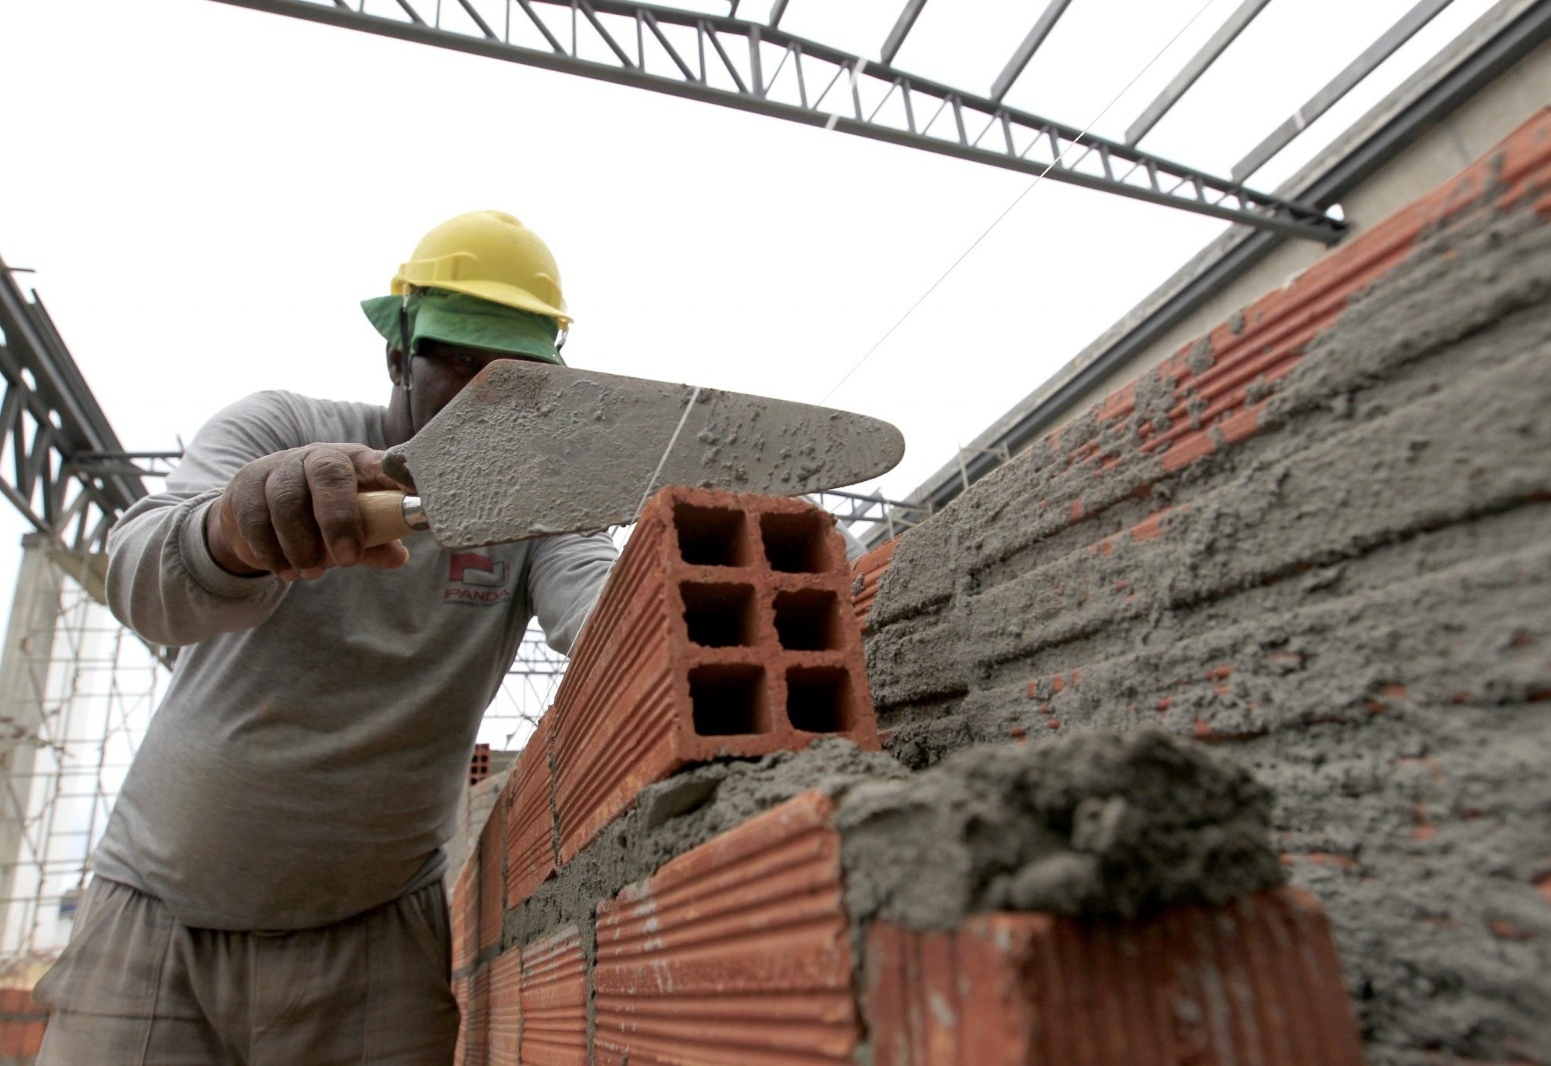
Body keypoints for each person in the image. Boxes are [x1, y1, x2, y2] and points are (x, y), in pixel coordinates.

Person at [34, 211, 618, 1064]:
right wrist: (232, 530)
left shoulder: (539, 505)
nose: (489, 394)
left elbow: (597, 600)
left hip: (375, 940)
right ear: (396, 356)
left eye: (518, 375)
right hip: (157, 921)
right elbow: (145, 584)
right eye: (458, 361)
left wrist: (709, 587)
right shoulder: (277, 431)